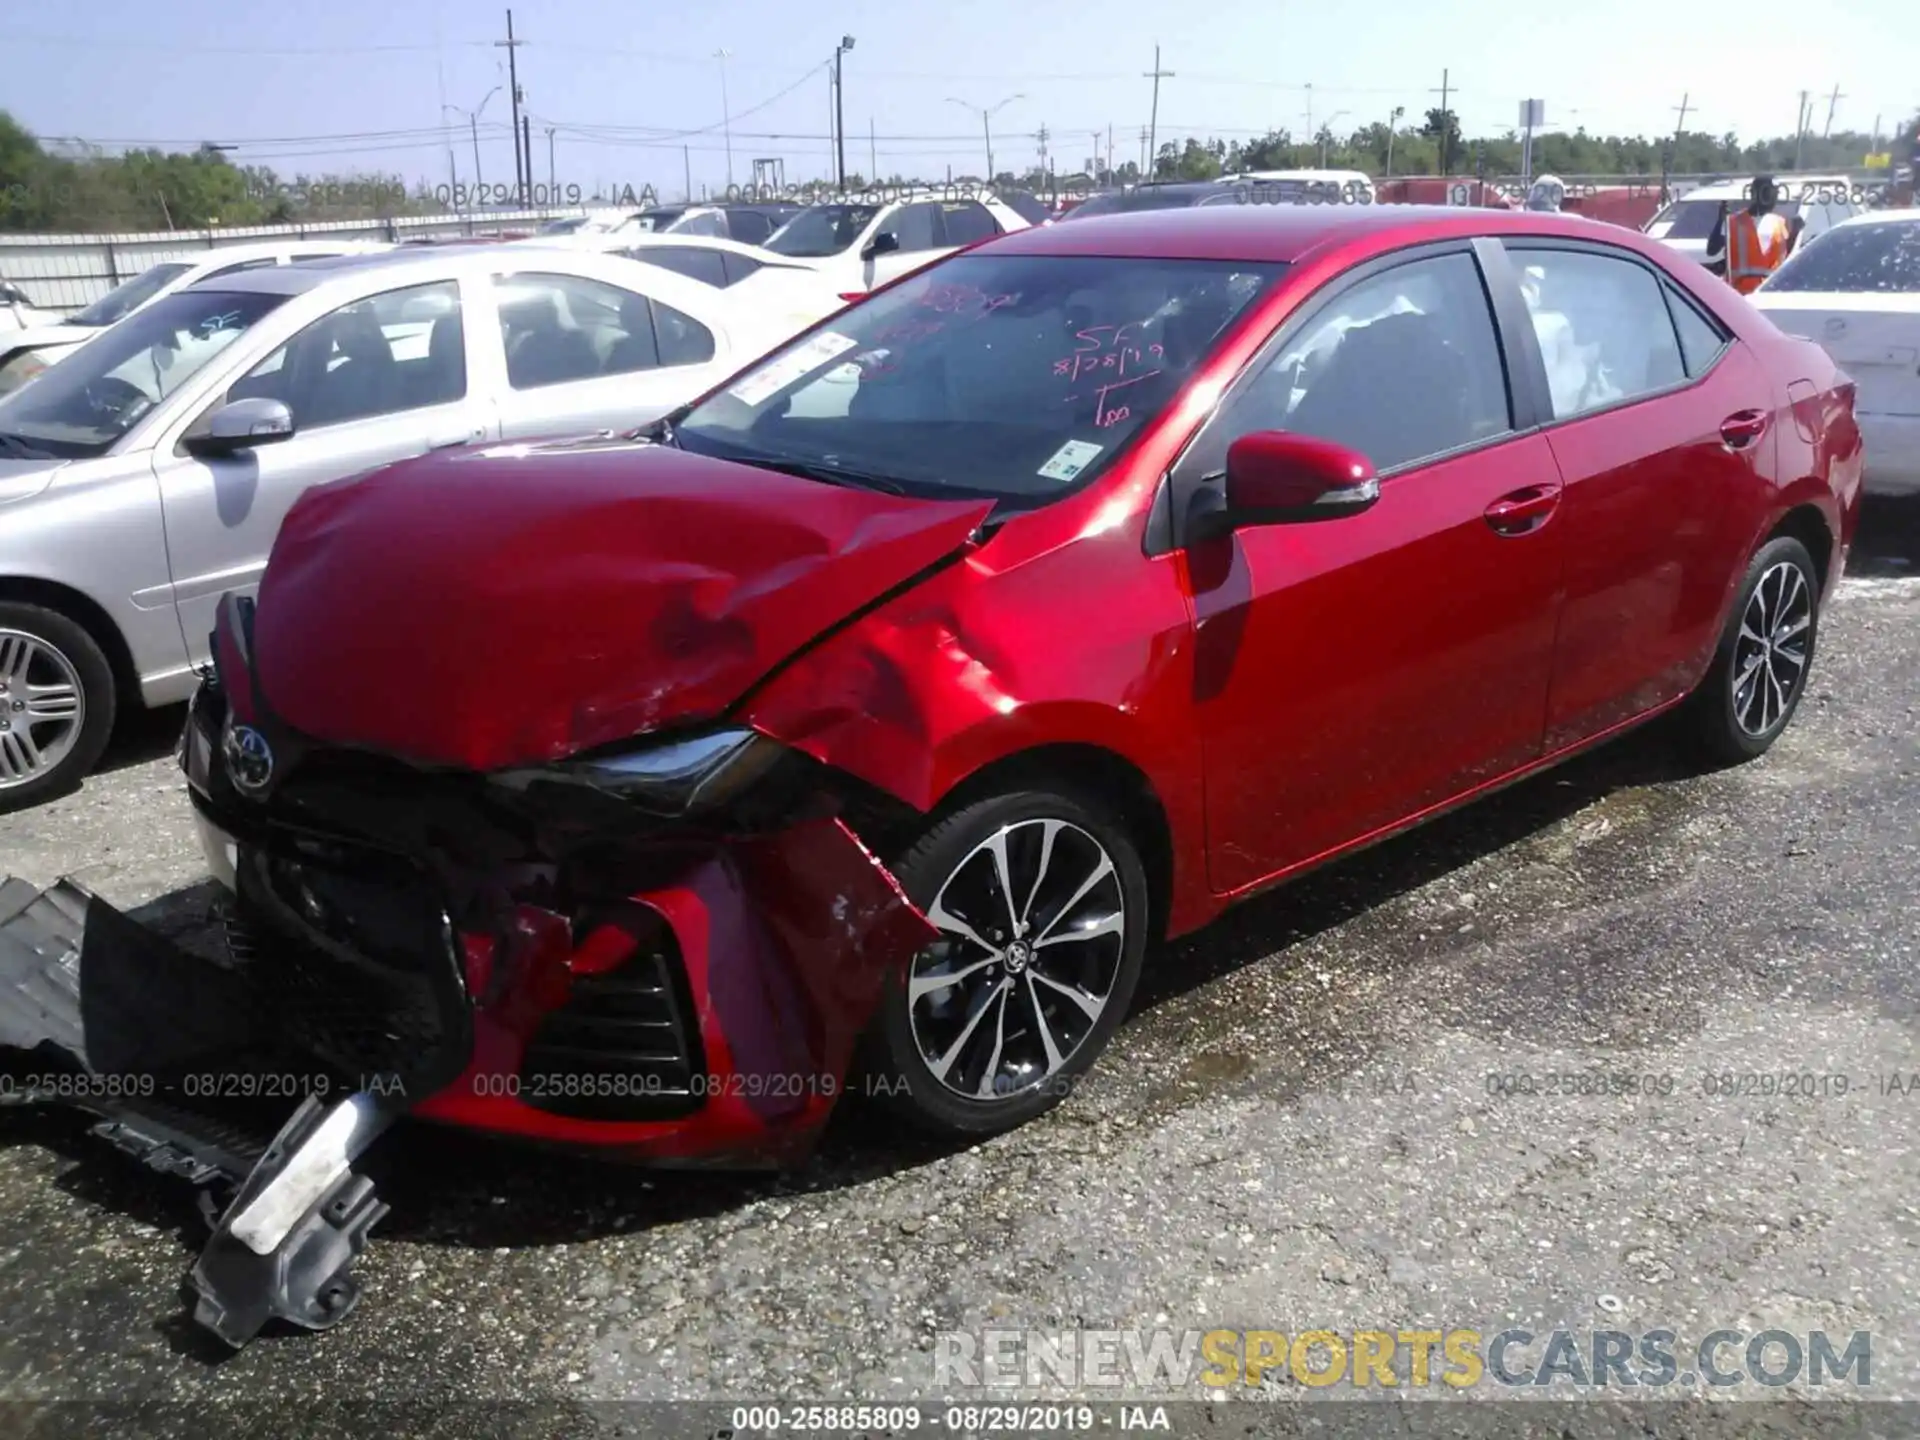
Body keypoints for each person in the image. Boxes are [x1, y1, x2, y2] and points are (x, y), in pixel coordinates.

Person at [1724, 175, 1793, 294]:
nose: (1773, 199)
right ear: (1755, 195)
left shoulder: (1781, 222)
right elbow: (1712, 250)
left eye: (1775, 194)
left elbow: (1787, 258)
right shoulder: (1733, 222)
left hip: (1770, 294)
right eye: (1768, 194)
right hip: (1741, 294)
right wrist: (1720, 221)